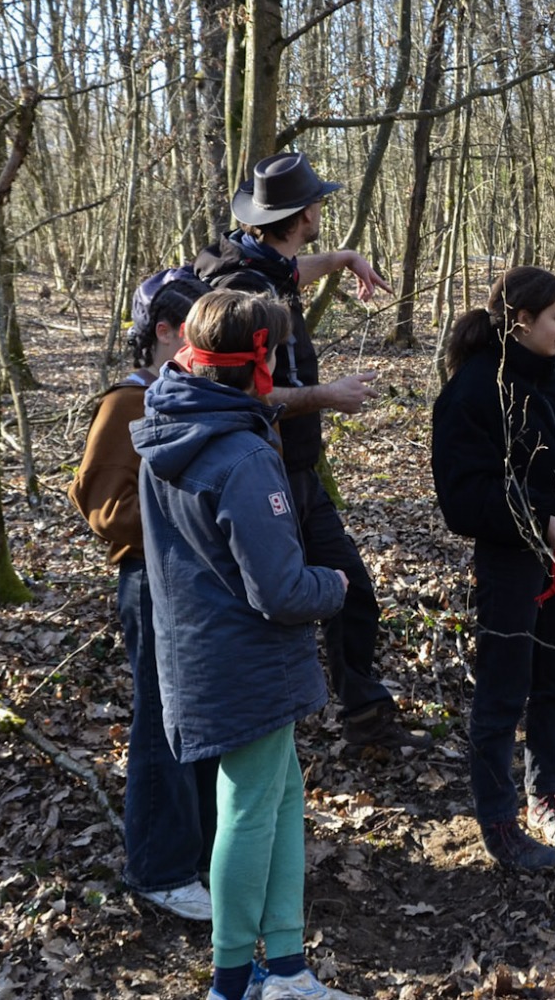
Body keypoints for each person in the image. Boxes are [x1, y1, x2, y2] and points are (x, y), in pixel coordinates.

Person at [135, 289, 365, 1000]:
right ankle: (233, 979)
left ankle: (288, 966)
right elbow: (284, 590)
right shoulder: (238, 454)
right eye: (278, 352)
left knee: (279, 795)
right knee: (246, 805)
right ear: (257, 359)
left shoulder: (170, 428)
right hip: (245, 661)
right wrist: (338, 584)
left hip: (203, 653)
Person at [194, 151, 423, 758]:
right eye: (317, 203)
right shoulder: (243, 287)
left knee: (350, 587)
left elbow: (294, 271)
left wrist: (345, 258)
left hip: (298, 468)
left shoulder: (268, 263)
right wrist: (328, 396)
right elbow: (247, 392)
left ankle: (366, 720)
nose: (323, 210)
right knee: (277, 599)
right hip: (263, 470)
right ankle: (270, 732)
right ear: (300, 215)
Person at [430, 266, 555, 871]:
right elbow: (464, 497)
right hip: (511, 563)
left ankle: (545, 797)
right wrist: (541, 522)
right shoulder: (474, 390)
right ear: (520, 321)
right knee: (504, 694)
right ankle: (498, 821)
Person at [67, 266, 217, 921]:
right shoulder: (128, 403)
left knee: (202, 723)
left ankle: (204, 853)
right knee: (162, 723)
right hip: (152, 584)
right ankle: (158, 867)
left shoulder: (190, 396)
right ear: (163, 331)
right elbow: (105, 509)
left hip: (198, 583)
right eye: (193, 331)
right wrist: (194, 515)